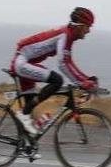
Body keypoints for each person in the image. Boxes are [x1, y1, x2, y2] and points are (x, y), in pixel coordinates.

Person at [10, 7, 98, 135]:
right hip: (21, 63)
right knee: (57, 80)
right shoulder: (65, 35)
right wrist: (81, 83)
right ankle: (23, 113)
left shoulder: (68, 35)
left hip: (28, 63)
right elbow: (62, 64)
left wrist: (85, 79)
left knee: (29, 115)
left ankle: (27, 148)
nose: (89, 30)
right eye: (88, 26)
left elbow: (69, 62)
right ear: (79, 26)